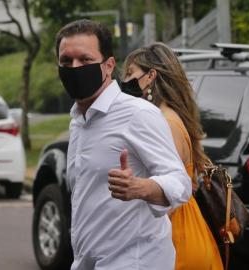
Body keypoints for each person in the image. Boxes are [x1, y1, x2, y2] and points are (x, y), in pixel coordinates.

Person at [56, 20, 192, 270]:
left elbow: (181, 183)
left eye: (85, 60)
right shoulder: (78, 121)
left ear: (109, 66)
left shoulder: (138, 113)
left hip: (135, 261)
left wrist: (142, 187)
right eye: (66, 61)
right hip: (90, 261)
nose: (74, 68)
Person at [121, 42, 224, 270]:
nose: (125, 81)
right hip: (185, 231)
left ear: (151, 77)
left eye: (130, 73)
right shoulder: (171, 117)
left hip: (176, 240)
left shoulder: (165, 122)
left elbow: (171, 194)